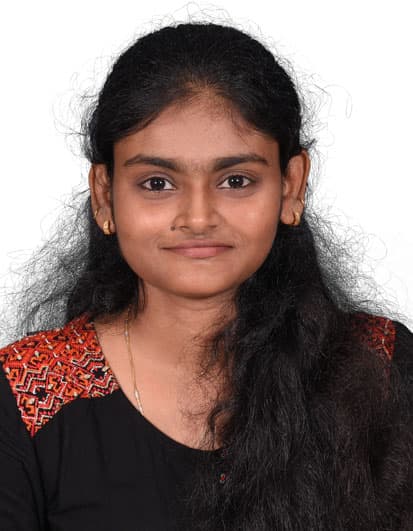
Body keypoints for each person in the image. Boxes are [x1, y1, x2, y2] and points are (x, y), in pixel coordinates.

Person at [0, 21, 412, 531]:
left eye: (236, 180)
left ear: (291, 187)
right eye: (157, 183)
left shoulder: (380, 366)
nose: (197, 217)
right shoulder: (23, 396)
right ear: (105, 195)